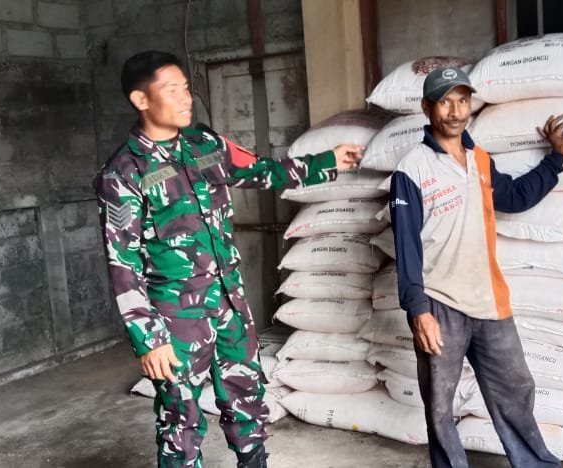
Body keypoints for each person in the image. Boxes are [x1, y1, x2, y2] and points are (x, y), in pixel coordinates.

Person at [94, 50, 363, 468]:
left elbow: (262, 170)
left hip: (229, 303)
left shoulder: (205, 145)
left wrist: (326, 162)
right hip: (176, 319)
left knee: (247, 398)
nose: (186, 98)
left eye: (186, 88)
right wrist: (148, 339)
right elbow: (122, 263)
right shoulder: (124, 173)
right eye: (172, 90)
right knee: (181, 420)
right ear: (141, 100)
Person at [389, 66, 563, 468]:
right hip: (438, 304)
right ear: (426, 108)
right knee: (440, 407)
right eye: (445, 101)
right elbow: (406, 245)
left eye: (462, 100)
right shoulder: (411, 169)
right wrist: (418, 310)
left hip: (489, 300)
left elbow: (516, 197)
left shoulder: (481, 161)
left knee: (516, 390)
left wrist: (556, 159)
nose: (456, 111)